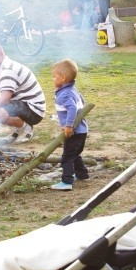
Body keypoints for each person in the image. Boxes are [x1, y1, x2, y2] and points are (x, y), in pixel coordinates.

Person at [0, 42, 46, 143]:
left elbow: (5, 99)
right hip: (20, 105)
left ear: (1, 54)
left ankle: (27, 129)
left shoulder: (8, 69)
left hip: (34, 110)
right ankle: (17, 129)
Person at [48, 59, 89, 191]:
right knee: (75, 154)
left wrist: (69, 125)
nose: (53, 79)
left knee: (67, 157)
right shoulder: (72, 90)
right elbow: (81, 101)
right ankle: (82, 174)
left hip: (74, 132)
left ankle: (66, 182)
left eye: (54, 77)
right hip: (82, 130)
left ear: (63, 78)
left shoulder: (64, 94)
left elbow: (72, 108)